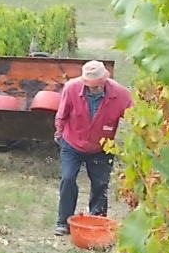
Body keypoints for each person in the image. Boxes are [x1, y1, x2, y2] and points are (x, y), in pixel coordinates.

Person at [53, 60, 132, 236]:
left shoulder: (120, 94)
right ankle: (63, 221)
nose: (93, 89)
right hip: (72, 142)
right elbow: (61, 115)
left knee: (100, 184)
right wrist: (59, 133)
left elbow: (135, 116)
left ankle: (97, 222)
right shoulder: (71, 88)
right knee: (68, 179)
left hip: (101, 147)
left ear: (105, 80)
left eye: (97, 85)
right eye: (89, 86)